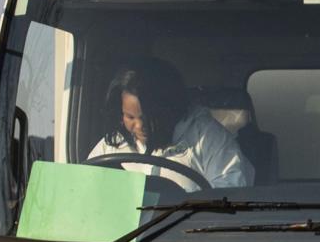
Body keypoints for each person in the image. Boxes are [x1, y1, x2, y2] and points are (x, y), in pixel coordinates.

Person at [86, 61, 253, 189]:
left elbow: (231, 192)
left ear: (170, 108)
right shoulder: (112, 144)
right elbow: (84, 187)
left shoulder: (207, 137)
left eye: (149, 117)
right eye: (130, 117)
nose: (139, 126)